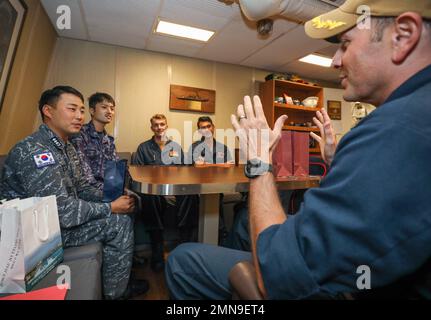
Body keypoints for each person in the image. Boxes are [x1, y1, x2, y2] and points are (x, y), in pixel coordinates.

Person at [165, 0, 431, 299]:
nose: (335, 61)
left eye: (345, 44)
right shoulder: (412, 114)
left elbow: (278, 272)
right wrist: (337, 159)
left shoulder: (397, 127)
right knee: (242, 227)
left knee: (182, 261)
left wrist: (259, 161)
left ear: (403, 36)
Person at [0, 86, 147, 300]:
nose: (79, 116)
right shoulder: (37, 152)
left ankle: (116, 282)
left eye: (81, 110)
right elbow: (62, 213)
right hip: (36, 237)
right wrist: (110, 207)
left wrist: (111, 197)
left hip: (56, 223)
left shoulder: (66, 146)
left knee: (126, 209)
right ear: (48, 111)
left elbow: (82, 188)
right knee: (118, 223)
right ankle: (116, 294)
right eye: (72, 109)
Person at [132, 114, 199, 272]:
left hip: (175, 191)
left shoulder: (175, 147)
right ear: (152, 128)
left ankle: (185, 248)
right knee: (151, 198)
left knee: (191, 196)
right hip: (155, 193)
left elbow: (185, 171)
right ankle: (157, 252)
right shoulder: (143, 148)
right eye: (156, 125)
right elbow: (136, 173)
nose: (159, 127)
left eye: (162, 124)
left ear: (166, 126)